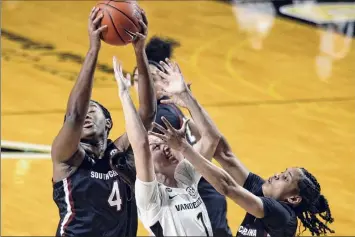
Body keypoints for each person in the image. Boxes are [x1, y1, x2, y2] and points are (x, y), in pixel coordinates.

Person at [150, 59, 335, 237]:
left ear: (293, 199)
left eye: (285, 178)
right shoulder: (262, 190)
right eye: (283, 172)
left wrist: (185, 148)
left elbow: (228, 187)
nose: (278, 174)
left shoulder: (282, 215)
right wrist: (187, 97)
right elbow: (223, 152)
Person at [51, 7, 156, 237]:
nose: (86, 114)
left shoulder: (120, 155)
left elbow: (147, 115)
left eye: (94, 109)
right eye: (85, 110)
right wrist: (93, 49)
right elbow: (74, 116)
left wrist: (140, 51)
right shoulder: (67, 158)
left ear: (108, 123)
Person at [113, 56, 226, 236]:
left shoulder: (185, 177)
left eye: (165, 143)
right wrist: (124, 95)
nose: (166, 148)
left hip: (212, 195)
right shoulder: (151, 198)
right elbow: (141, 145)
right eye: (157, 148)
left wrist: (187, 97)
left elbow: (211, 138)